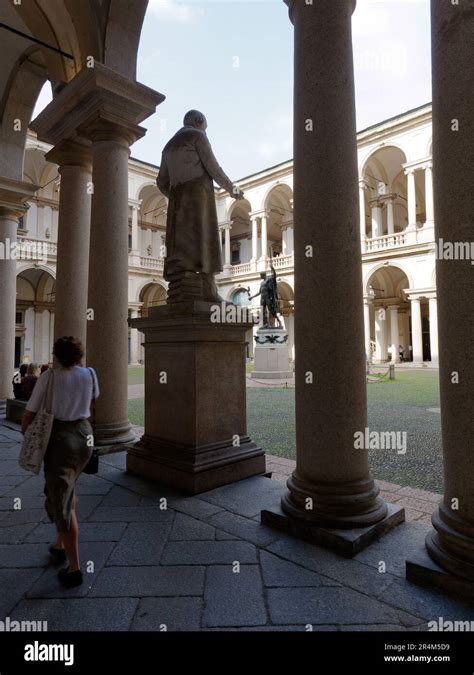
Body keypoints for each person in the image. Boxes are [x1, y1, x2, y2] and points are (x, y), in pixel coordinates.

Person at [21, 337, 99, 588]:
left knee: (62, 502)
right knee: (66, 488)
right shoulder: (90, 374)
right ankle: (58, 544)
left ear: (57, 355)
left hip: (60, 439)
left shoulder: (50, 377)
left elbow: (30, 411)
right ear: (79, 354)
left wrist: (27, 434)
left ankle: (74, 568)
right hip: (85, 436)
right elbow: (93, 399)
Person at [157, 109, 244, 302]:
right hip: (198, 195)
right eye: (205, 126)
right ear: (199, 122)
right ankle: (207, 289)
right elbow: (213, 167)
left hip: (177, 200)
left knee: (180, 245)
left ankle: (180, 289)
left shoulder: (168, 146)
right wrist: (232, 189)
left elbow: (161, 181)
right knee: (203, 239)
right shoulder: (197, 136)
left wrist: (175, 196)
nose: (205, 130)